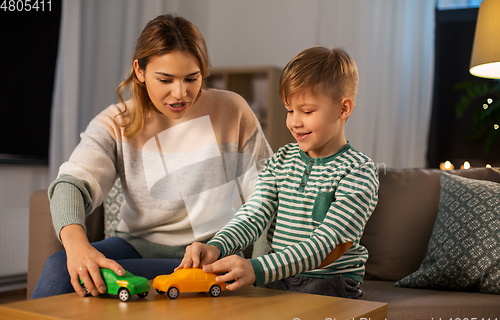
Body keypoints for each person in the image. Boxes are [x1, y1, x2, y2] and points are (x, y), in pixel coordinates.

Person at [32, 14, 272, 299]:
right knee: (60, 267)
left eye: (191, 78)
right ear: (140, 71)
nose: (180, 93)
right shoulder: (116, 122)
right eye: (166, 79)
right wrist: (77, 248)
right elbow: (71, 183)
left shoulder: (231, 110)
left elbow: (266, 192)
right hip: (135, 246)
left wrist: (262, 271)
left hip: (210, 251)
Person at [178, 47, 379, 298]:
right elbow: (254, 214)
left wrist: (257, 268)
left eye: (307, 111)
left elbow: (330, 243)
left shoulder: (358, 172)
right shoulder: (281, 161)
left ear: (343, 109)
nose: (294, 121)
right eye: (289, 110)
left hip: (329, 281)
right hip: (279, 277)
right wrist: (217, 246)